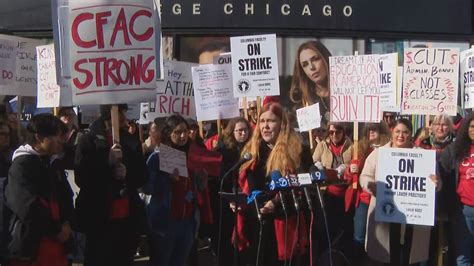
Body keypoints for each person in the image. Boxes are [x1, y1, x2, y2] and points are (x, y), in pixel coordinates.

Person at [237, 102, 312, 265]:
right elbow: (244, 184)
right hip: (257, 222)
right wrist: (238, 200)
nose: (265, 126)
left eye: (271, 121)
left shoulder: (298, 150)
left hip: (284, 221)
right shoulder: (252, 152)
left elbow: (301, 185)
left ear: (282, 123)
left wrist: (276, 202)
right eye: (262, 121)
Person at [360, 119, 441, 265]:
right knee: (387, 257)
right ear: (392, 133)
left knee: (409, 257)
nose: (401, 135)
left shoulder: (423, 156)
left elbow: (437, 182)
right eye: (397, 131)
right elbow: (364, 176)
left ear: (410, 134)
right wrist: (371, 186)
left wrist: (435, 182)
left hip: (412, 216)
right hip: (386, 211)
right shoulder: (379, 153)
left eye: (405, 132)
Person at [75, 104, 147, 266]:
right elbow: (81, 177)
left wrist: (127, 173)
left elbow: (143, 175)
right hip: (100, 220)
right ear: (110, 114)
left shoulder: (129, 139)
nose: (125, 117)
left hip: (127, 220)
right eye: (121, 112)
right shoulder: (88, 140)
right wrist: (106, 164)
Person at [5, 114, 74, 266]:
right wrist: (56, 229)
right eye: (55, 136)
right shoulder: (21, 166)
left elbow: (65, 197)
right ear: (39, 137)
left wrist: (67, 223)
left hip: (57, 247)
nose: (60, 141)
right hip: (32, 248)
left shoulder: (52, 163)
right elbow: (27, 206)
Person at [146, 115, 212, 266]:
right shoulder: (157, 158)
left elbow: (196, 189)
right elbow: (147, 187)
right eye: (178, 132)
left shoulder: (192, 156)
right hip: (165, 223)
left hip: (186, 222)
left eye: (185, 131)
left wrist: (201, 181)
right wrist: (166, 179)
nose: (183, 136)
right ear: (169, 133)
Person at [344, 122, 391, 263]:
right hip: (364, 199)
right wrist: (349, 170)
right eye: (369, 129)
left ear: (381, 131)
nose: (371, 132)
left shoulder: (389, 148)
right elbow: (349, 176)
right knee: (359, 236)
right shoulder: (360, 147)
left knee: (380, 238)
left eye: (375, 129)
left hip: (383, 199)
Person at [312, 122, 353, 258]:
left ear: (343, 131)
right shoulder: (323, 145)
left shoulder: (352, 145)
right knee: (327, 225)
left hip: (345, 191)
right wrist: (320, 167)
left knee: (343, 226)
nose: (334, 135)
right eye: (331, 132)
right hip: (327, 191)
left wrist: (344, 167)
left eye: (338, 131)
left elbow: (355, 161)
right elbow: (313, 161)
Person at [214, 117, 252, 264]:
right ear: (232, 132)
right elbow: (221, 177)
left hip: (249, 201)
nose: (243, 133)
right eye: (239, 130)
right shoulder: (224, 151)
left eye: (245, 130)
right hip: (230, 203)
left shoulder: (253, 149)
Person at [438, 113, 474, 266]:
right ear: (466, 128)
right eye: (472, 126)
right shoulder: (455, 150)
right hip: (463, 211)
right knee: (463, 255)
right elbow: (442, 173)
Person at [289, 41, 332, 122]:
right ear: (302, 71)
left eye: (315, 59)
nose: (311, 67)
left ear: (325, 59)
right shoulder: (302, 106)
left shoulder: (347, 96)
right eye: (305, 64)